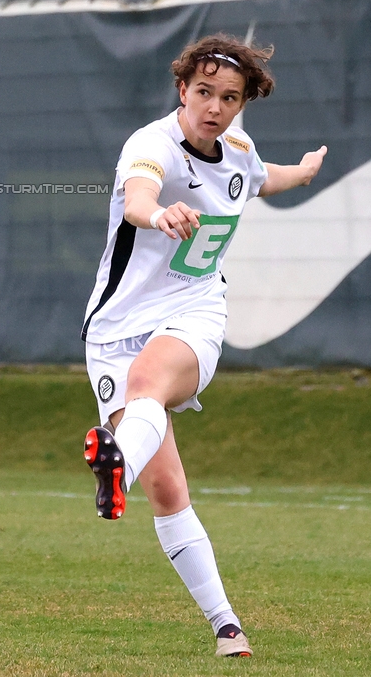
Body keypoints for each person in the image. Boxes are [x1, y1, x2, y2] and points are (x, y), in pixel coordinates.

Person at [82, 33, 327, 658]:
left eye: (230, 97)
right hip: (114, 330)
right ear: (181, 90)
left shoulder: (238, 147)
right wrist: (157, 213)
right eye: (204, 92)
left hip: (194, 310)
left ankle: (116, 468)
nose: (214, 107)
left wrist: (300, 174)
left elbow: (257, 178)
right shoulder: (149, 144)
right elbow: (138, 196)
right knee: (167, 492)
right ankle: (227, 627)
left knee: (149, 385)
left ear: (242, 104)